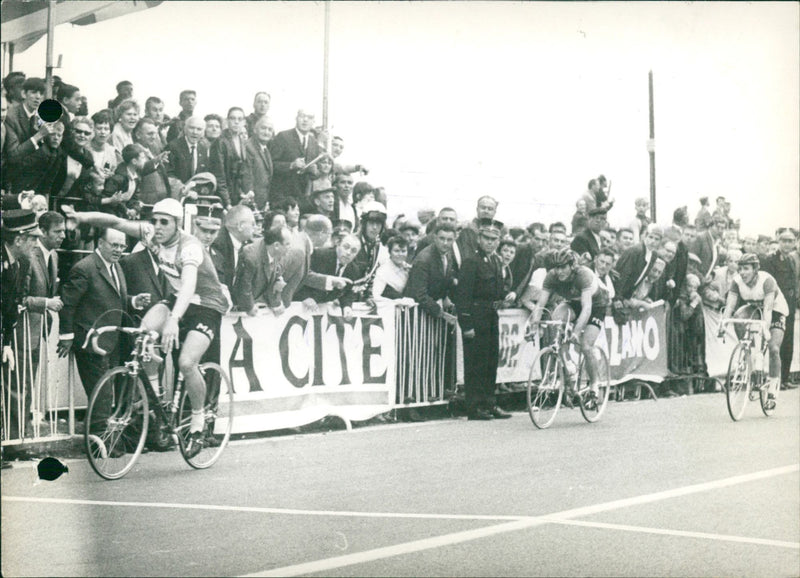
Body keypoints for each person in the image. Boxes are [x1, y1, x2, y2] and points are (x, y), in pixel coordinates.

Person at [62, 198, 229, 456]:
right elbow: (115, 222)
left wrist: (173, 319)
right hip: (177, 300)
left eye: (165, 222)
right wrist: (81, 216)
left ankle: (198, 422)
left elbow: (188, 285)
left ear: (177, 224)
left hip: (205, 304)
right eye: (155, 221)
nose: (157, 227)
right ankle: (155, 395)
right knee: (143, 334)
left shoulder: (190, 247)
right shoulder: (153, 234)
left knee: (186, 362)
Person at [57, 227, 150, 436]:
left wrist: (133, 301)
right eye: (114, 245)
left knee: (107, 393)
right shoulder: (85, 268)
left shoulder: (115, 267)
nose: (118, 250)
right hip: (92, 342)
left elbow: (111, 299)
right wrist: (66, 336)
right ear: (100, 244)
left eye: (122, 246)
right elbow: (69, 304)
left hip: (112, 340)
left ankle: (103, 439)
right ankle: (98, 441)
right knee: (102, 394)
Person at [530, 247, 609, 399]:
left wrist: (577, 332)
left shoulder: (582, 275)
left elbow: (587, 308)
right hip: (574, 303)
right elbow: (540, 304)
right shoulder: (551, 276)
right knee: (556, 317)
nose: (559, 272)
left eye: (563, 267)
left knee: (586, 345)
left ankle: (594, 384)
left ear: (572, 266)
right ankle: (568, 365)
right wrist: (533, 325)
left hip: (595, 305)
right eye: (556, 268)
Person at [454, 218, 511, 420]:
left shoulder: (496, 261)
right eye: (486, 238)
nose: (490, 242)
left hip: (491, 316)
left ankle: (489, 402)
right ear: (479, 238)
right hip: (476, 315)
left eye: (494, 239)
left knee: (490, 361)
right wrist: (466, 324)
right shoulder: (471, 261)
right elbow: (463, 296)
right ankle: (475, 406)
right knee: (475, 363)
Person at [718, 253, 790, 409]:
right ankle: (747, 351)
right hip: (754, 307)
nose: (742, 272)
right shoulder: (737, 282)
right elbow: (730, 306)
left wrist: (766, 329)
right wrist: (723, 324)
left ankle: (772, 390)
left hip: (775, 310)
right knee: (738, 316)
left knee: (773, 348)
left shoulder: (767, 281)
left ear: (755, 269)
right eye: (740, 269)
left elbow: (769, 309)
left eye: (746, 269)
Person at [1, 209, 41, 438]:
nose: (36, 243)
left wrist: (6, 342)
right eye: (33, 238)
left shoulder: (17, 263)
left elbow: (8, 306)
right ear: (18, 239)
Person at [762, 228, 799, 389]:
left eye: (791, 241)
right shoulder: (770, 260)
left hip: (789, 305)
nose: (787, 244)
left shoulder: (791, 260)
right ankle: (775, 379)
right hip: (776, 304)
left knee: (789, 341)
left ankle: (784, 378)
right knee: (776, 343)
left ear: (795, 243)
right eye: (784, 240)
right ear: (779, 242)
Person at [293, 233, 364, 315]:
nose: (348, 253)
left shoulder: (354, 269)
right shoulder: (320, 255)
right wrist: (305, 297)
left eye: (353, 251)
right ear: (338, 244)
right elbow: (301, 276)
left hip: (322, 309)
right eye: (346, 247)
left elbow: (348, 292)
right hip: (300, 304)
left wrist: (346, 307)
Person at [233, 225, 293, 316]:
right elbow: (244, 285)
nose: (290, 248)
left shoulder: (276, 252)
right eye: (287, 244)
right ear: (276, 245)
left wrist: (276, 303)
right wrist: (249, 307)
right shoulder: (252, 256)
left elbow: (274, 279)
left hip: (255, 304)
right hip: (238, 310)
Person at [268, 109, 321, 206]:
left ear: (313, 122)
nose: (305, 120)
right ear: (296, 118)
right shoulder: (283, 137)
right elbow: (270, 165)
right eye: (302, 116)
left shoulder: (314, 142)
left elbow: (316, 173)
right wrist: (291, 165)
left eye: (309, 118)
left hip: (303, 199)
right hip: (282, 197)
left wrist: (314, 171)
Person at [209, 106, 247, 208]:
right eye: (233, 118)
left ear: (244, 122)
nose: (236, 122)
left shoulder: (242, 141)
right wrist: (227, 202)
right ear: (227, 121)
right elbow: (219, 174)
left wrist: (241, 193)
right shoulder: (220, 142)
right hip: (221, 196)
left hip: (235, 196)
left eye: (239, 119)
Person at [211, 204, 256, 287]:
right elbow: (220, 285)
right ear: (240, 226)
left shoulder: (245, 244)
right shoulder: (217, 245)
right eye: (252, 224)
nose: (255, 228)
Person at [241, 116, 274, 212]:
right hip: (250, 204)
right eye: (263, 128)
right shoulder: (248, 147)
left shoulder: (265, 149)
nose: (266, 132)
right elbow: (247, 176)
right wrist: (251, 203)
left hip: (261, 204)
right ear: (255, 130)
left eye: (269, 129)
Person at [166, 116, 209, 185]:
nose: (195, 132)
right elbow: (168, 173)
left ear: (203, 133)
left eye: (199, 129)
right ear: (185, 129)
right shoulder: (173, 147)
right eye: (191, 128)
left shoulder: (203, 148)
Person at [456, 195, 499, 260]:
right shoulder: (467, 229)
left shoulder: (498, 231)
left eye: (490, 209)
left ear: (494, 212)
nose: (486, 211)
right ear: (477, 209)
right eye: (483, 208)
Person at [372, 236, 412, 300]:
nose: (400, 254)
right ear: (390, 252)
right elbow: (376, 296)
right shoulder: (383, 271)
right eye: (396, 251)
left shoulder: (408, 268)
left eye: (403, 251)